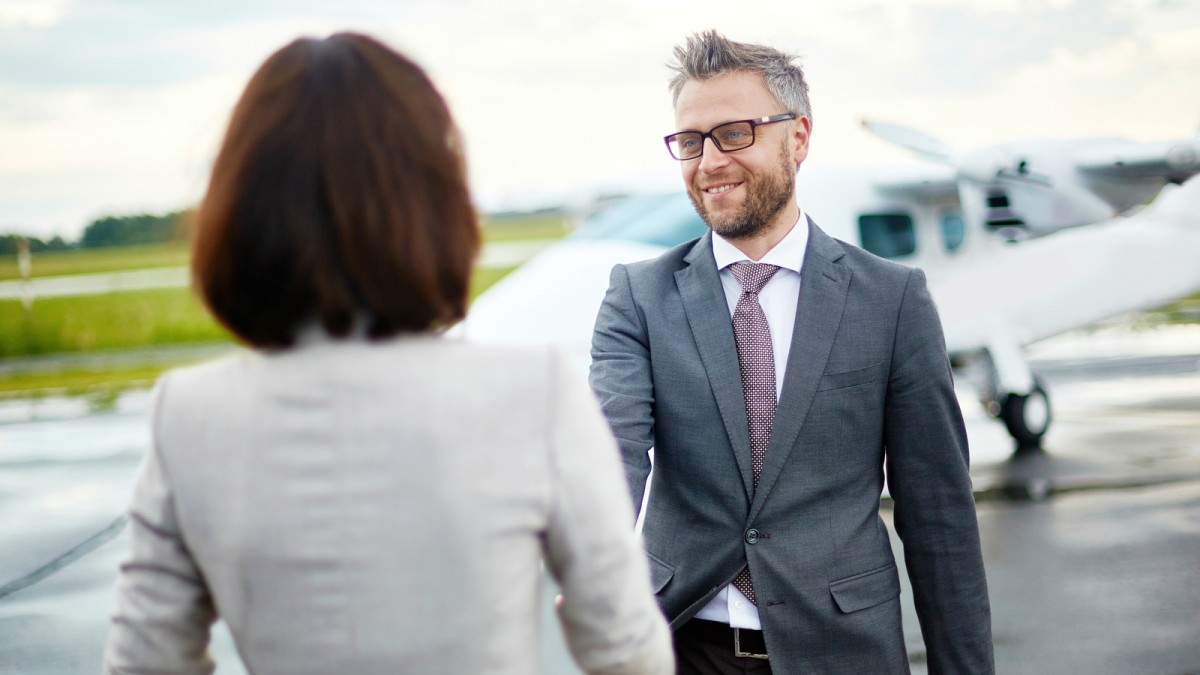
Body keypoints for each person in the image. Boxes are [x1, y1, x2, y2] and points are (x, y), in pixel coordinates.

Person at [103, 32, 673, 675]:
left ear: (239, 208)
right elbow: (627, 652)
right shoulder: (532, 392)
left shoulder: (189, 414)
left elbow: (146, 662)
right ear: (437, 202)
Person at [589, 30, 993, 674]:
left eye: (735, 133)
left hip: (844, 650)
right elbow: (611, 453)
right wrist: (578, 563)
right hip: (682, 645)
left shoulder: (892, 299)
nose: (709, 161)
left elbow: (938, 511)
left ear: (798, 136)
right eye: (690, 142)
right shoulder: (638, 296)